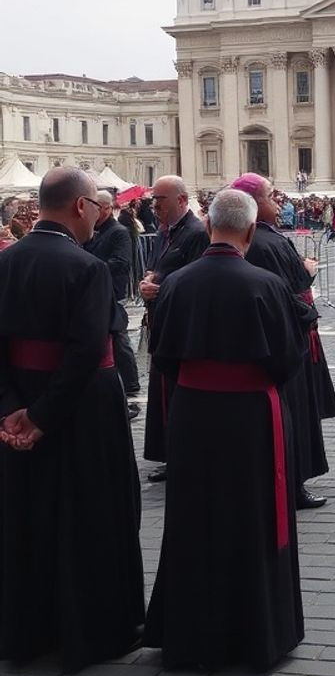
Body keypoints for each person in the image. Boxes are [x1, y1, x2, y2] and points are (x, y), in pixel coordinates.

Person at [144, 189, 307, 671]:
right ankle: (255, 636)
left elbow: (162, 358)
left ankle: (191, 636)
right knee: (253, 518)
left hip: (192, 413)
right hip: (252, 418)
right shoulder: (267, 285)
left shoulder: (175, 284)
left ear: (209, 225)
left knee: (194, 517)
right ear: (251, 230)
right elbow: (288, 360)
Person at [0, 167, 144, 670]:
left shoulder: (6, 260)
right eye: (97, 208)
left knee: (27, 516)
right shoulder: (88, 268)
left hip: (20, 404)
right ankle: (94, 631)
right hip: (84, 410)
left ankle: (29, 630)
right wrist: (42, 416)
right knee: (90, 516)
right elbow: (85, 351)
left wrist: (13, 411)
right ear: (82, 206)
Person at [232, 174, 335, 509]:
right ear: (253, 203)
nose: (278, 202)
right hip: (290, 336)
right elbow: (282, 292)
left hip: (290, 333)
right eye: (271, 196)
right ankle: (293, 483)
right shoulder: (264, 244)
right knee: (294, 412)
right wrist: (307, 276)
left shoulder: (263, 239)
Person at [141, 176, 209, 481]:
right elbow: (160, 268)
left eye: (160, 200)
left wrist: (161, 286)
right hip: (161, 321)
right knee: (163, 392)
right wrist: (148, 279)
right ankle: (169, 453)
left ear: (181, 200)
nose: (154, 207)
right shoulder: (163, 231)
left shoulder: (196, 233)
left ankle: (182, 454)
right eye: (153, 200)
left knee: (178, 393)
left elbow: (196, 278)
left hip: (180, 325)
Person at [85, 191, 141, 420]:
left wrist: (89, 268)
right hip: (97, 291)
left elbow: (121, 263)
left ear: (107, 208)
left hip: (112, 292)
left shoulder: (118, 232)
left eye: (96, 207)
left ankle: (130, 385)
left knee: (118, 336)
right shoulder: (93, 230)